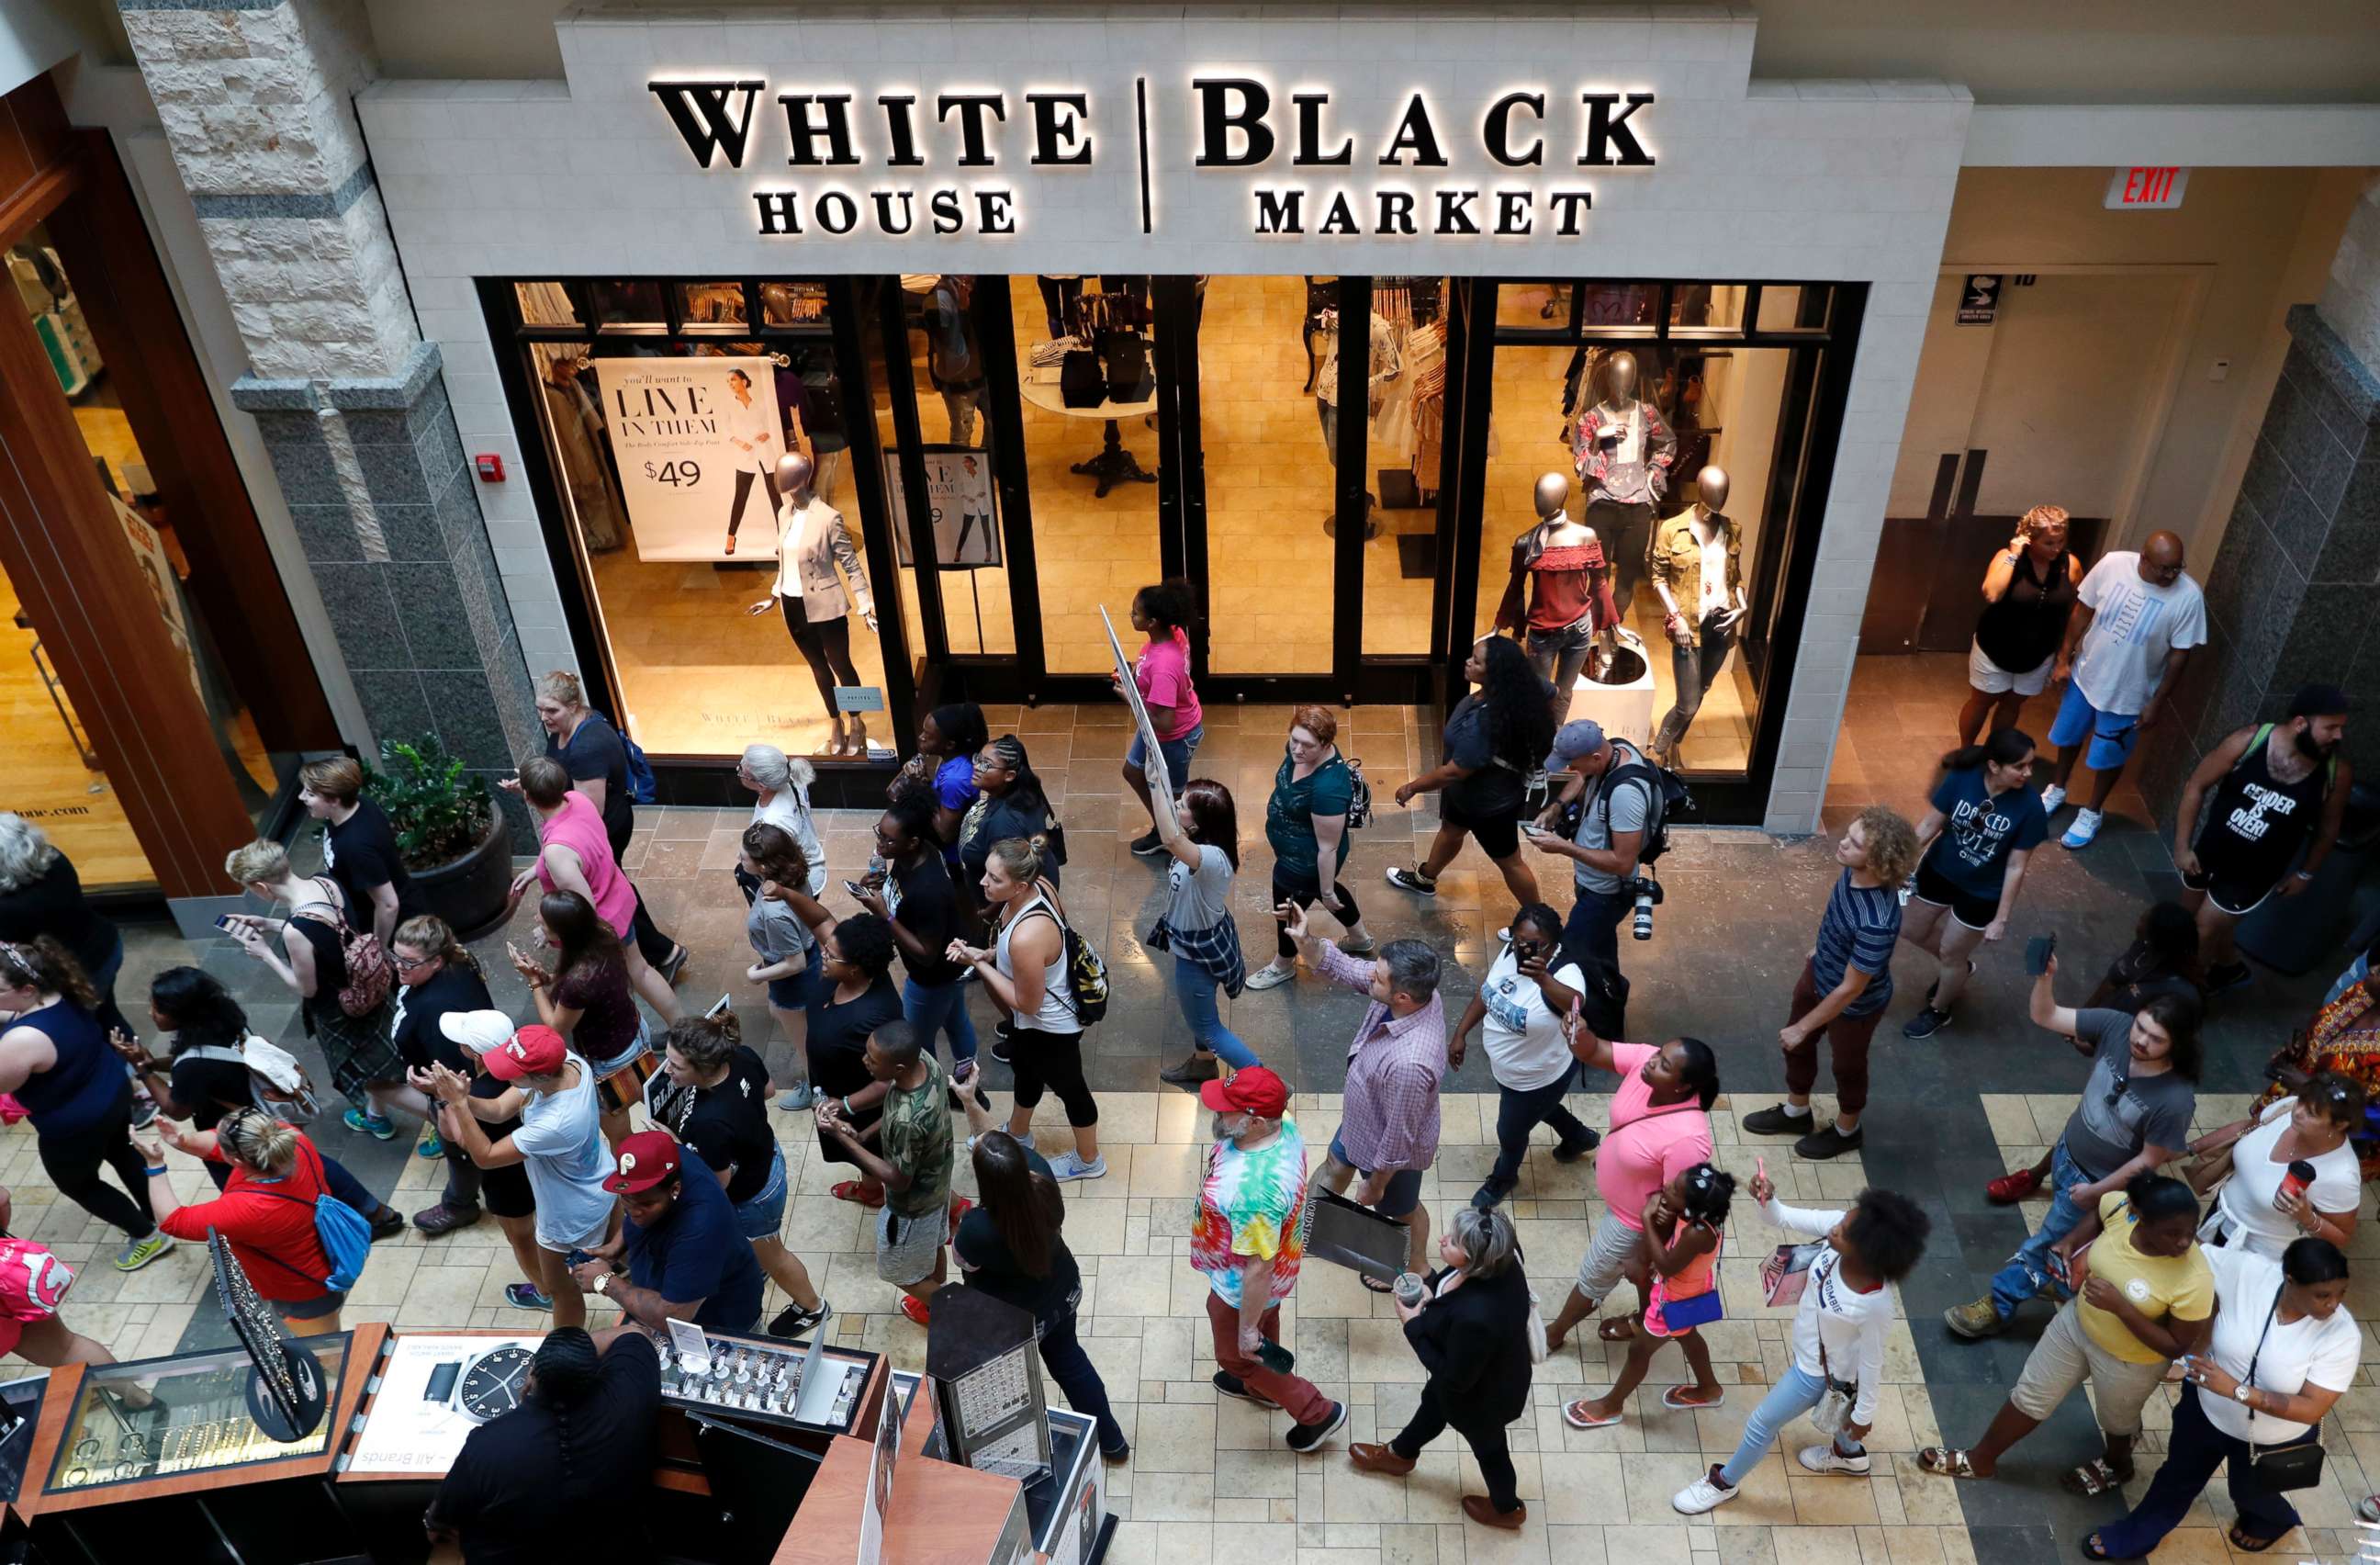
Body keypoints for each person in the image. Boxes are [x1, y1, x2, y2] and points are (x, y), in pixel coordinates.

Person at [1944, 959, 2199, 1338]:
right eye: (2140, 1027)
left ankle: (1998, 1306)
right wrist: (2046, 978)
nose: (2140, 1040)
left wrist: (2095, 1193)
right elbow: (2045, 1015)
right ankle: (2065, 1283)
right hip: (2067, 1152)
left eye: (2155, 1038)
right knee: (2061, 1246)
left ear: (2176, 1045)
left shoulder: (2175, 1099)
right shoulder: (2116, 1026)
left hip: (2099, 1183)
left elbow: (2149, 1161)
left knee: (2043, 1244)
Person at [1920, 1172, 2212, 1498]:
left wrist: (2123, 1308)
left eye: (2190, 1230)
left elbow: (2176, 1345)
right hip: (2075, 1325)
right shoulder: (2120, 1209)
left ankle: (2118, 1463)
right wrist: (2071, 1241)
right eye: (2172, 1233)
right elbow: (2101, 1211)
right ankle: (1980, 1460)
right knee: (2032, 1392)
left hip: (2131, 1361)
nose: (2185, 1242)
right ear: (2139, 1216)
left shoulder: (2195, 1280)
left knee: (2117, 1420)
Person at [1671, 1169, 1932, 1515]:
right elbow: (1780, 1217)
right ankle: (1849, 1456)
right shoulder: (1843, 1228)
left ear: (1868, 1253)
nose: (1835, 1227)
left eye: (1843, 1231)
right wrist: (1766, 1198)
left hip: (1817, 1372)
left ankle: (1722, 1484)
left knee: (1762, 1423)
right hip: (1815, 1357)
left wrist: (1865, 1413)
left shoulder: (1873, 1304)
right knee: (1843, 1413)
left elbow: (1872, 1361)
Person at [2082, 1238, 2355, 1559]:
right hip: (2205, 1414)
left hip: (2272, 1438)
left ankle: (2272, 1520)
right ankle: (2135, 1535)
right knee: (2176, 1477)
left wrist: (2237, 1390)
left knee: (2250, 1491)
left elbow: (2313, 1407)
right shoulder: (2249, 1272)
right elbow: (2187, 1247)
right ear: (2290, 1280)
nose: (2334, 1304)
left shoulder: (2343, 1334)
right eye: (2323, 1295)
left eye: (2341, 1293)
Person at [1985, 900, 2205, 1203]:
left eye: (2146, 918)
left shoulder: (2183, 996)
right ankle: (2035, 1176)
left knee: (2115, 1145)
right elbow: (2111, 983)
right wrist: (2087, 1022)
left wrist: (2095, 1193)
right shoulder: (2142, 951)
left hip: (2140, 1089)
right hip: (2112, 1049)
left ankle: (2101, 1201)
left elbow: (2150, 1157)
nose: (2138, 920)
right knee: (2087, 1124)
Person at [1277, 903, 1443, 1284]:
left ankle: (1416, 1267)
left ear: (1402, 997)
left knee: (1401, 1210)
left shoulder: (1410, 1065)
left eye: (1379, 977)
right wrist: (1307, 941)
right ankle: (1306, 1228)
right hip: (1362, 1118)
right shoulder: (1414, 994)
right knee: (1335, 1166)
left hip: (1388, 1150)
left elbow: (1399, 1137)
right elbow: (1350, 969)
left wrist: (1376, 1183)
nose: (1371, 976)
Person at [1741, 806, 1919, 1159]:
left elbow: (1852, 988)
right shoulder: (1853, 873)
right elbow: (1838, 918)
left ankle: (1847, 1130)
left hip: (1854, 1005)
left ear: (1878, 860)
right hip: (1821, 972)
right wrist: (1823, 947)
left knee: (1847, 1066)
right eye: (1848, 835)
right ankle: (1796, 1112)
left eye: (1854, 843)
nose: (1842, 844)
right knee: (1796, 1046)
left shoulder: (1877, 921)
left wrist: (1803, 1026)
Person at [1347, 1206, 1538, 1530]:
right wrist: (1432, 1287)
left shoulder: (1477, 1318)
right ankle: (1400, 1454)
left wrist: (1413, 1324)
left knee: (1489, 1450)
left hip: (1483, 1398)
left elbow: (1453, 1377)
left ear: (1475, 1259)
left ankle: (1506, 1509)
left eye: (1453, 1243)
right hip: (1474, 1374)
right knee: (1433, 1404)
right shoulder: (1503, 1256)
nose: (1442, 1239)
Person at [417, 1022, 616, 1331]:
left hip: (570, 1211)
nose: (501, 1071)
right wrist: (458, 1094)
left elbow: (485, 1155)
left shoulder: (556, 1122)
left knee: (561, 1291)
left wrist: (455, 1103)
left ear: (539, 1076)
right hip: (598, 1179)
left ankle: (566, 1353)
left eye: (513, 1067)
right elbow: (497, 1110)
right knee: (612, 1259)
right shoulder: (569, 1061)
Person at [1190, 1066, 1346, 1452]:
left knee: (1236, 1353)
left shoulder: (1252, 1193)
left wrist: (1245, 1330)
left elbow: (1257, 1269)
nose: (1216, 1114)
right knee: (1266, 1324)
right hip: (1278, 1275)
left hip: (1240, 1287)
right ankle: (1260, 1387)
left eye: (1226, 1110)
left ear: (1255, 1122)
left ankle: (1315, 1412)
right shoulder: (1284, 1126)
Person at [643, 1014, 829, 1338]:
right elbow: (768, 1090)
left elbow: (718, 1185)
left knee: (775, 1257)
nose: (667, 1070)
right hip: (768, 1159)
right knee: (761, 1252)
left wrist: (677, 1147)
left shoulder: (709, 1123)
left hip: (753, 1196)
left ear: (703, 1068)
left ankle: (812, 1307)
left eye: (676, 1066)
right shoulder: (741, 1055)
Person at [1543, 1019, 1720, 1351]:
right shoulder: (1647, 1061)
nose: (1653, 1060)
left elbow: (1672, 1205)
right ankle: (1644, 1318)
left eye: (1665, 1065)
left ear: (1683, 1087)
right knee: (1638, 1280)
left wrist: (1642, 1254)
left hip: (1633, 1222)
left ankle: (1555, 1333)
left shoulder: (1688, 1139)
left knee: (1594, 1275)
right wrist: (1580, 1032)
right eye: (1659, 1054)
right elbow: (1594, 1049)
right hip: (1621, 1202)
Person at [956, 1132, 1128, 1460]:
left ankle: (1023, 1454)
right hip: (1062, 1293)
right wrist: (970, 1103)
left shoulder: (977, 1228)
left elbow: (965, 1263)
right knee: (1070, 1362)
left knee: (1012, 1387)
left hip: (1014, 1320)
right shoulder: (1042, 1176)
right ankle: (1112, 1442)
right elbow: (996, 1144)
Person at [0, 937, 171, 1270]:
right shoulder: (62, 990)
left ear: (27, 989)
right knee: (123, 1152)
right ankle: (161, 1214)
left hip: (76, 1123)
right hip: (114, 1092)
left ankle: (147, 1235)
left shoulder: (23, 1040)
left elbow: (4, 1083)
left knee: (77, 1182)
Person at [2172, 682, 2353, 996]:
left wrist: (2305, 873)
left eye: (2341, 728)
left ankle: (2177, 1000)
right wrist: (2182, 845)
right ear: (2300, 723)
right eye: (2331, 727)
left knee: (2201, 933)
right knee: (2188, 921)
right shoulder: (2248, 741)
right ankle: (2230, 969)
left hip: (2252, 875)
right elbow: (2196, 785)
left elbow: (2328, 829)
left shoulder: (2336, 773)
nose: (2339, 736)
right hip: (2208, 854)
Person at [426, 1327, 663, 1565]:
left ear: (532, 1376)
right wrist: (569, 1355)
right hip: (620, 1551)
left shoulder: (487, 1444)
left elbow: (441, 1524)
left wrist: (555, 1359)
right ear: (596, 1373)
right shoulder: (630, 1393)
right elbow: (635, 1332)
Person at [222, 838, 407, 1136]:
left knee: (369, 1077)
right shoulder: (326, 882)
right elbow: (328, 931)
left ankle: (441, 1118)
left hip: (341, 1010)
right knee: (381, 1058)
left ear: (261, 886)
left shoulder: (296, 931)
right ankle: (375, 1116)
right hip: (370, 985)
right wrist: (268, 925)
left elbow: (306, 988)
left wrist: (266, 954)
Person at [2041, 530, 2207, 850]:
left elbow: (2179, 655)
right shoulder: (2114, 564)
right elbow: (2083, 610)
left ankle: (2092, 811)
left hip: (2130, 695)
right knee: (2068, 737)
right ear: (2144, 559)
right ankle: (2057, 788)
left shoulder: (2189, 597)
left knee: (2109, 755)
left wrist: (2158, 702)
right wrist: (2064, 658)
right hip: (2087, 676)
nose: (2172, 575)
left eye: (2177, 567)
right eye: (2164, 568)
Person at [520, 670, 688, 982]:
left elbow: (590, 812)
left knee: (611, 890)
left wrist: (566, 854)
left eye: (551, 710)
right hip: (596, 827)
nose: (544, 717)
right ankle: (658, 952)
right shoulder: (571, 726)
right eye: (540, 709)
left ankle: (663, 952)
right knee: (615, 884)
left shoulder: (587, 748)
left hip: (603, 829)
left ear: (573, 706)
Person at [951, 839, 1104, 1181]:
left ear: (1019, 885)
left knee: (1071, 1089)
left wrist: (977, 962)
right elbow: (1016, 953)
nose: (983, 883)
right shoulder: (1035, 888)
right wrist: (989, 954)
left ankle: (1089, 1160)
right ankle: (1019, 1133)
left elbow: (1026, 1001)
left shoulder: (1028, 935)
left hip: (1051, 1027)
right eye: (986, 874)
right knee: (1026, 1070)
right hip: (1030, 1024)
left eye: (994, 878)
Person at [134, 1107, 350, 1334]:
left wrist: (155, 1165)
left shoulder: (249, 1209)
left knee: (326, 1349)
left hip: (302, 1290)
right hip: (324, 1256)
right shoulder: (290, 1138)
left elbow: (172, 1221)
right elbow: (221, 1144)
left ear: (236, 1159)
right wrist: (183, 1140)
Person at [502, 757, 681, 1022]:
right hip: (619, 899)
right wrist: (538, 869)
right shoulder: (579, 799)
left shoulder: (557, 852)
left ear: (527, 797)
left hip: (602, 924)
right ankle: (682, 1026)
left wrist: (547, 927)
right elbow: (578, 842)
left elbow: (582, 909)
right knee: (640, 971)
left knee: (610, 987)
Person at [1897, 729, 2047, 1040]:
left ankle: (1939, 1009)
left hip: (1982, 892)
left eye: (2029, 765)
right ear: (1994, 766)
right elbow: (1929, 824)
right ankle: (1961, 969)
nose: (2028, 773)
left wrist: (2000, 919)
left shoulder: (2031, 807)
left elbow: (2017, 866)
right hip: (1939, 869)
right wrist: (1899, 864)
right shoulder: (1963, 777)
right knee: (1909, 927)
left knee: (1951, 953)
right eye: (2020, 766)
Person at [1561, 1163, 1733, 1431]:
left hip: (1675, 1298)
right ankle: (1709, 1388)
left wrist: (1646, 1219)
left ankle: (1611, 1406)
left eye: (1675, 1190)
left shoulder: (1695, 1234)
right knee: (1687, 1335)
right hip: (1690, 1287)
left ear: (1691, 1207)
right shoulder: (1705, 1218)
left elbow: (1665, 1265)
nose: (1667, 1187)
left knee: (1639, 1350)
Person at [1448, 905, 1599, 1210]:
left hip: (1538, 1077)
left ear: (1554, 945)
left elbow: (1575, 1001)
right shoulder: (1509, 953)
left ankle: (1503, 1178)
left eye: (1536, 945)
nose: (1524, 950)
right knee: (1533, 1110)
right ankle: (1579, 1136)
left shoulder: (1565, 973)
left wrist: (1543, 978)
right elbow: (1487, 991)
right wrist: (1461, 1032)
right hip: (1508, 1070)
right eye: (1518, 940)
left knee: (1510, 1130)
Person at [1386, 635, 1552, 907]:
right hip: (1466, 796)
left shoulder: (1484, 723)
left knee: (1510, 862)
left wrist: (1412, 787)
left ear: (1495, 673)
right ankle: (1425, 879)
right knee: (1451, 830)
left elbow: (1453, 772)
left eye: (1476, 661)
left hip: (1489, 806)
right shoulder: (1521, 689)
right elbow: (1551, 693)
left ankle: (1537, 921)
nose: (1467, 662)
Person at [815, 1021, 953, 1327]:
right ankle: (935, 1298)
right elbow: (893, 1100)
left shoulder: (909, 1120)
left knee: (899, 1272)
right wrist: (862, 1134)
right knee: (933, 1245)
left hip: (914, 1205)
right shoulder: (926, 1064)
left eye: (872, 1059)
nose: (865, 1061)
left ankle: (950, 1311)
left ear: (899, 1067)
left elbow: (897, 1178)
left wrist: (844, 1139)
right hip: (939, 1180)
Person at [568, 1128, 765, 1336]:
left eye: (646, 1203)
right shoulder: (667, 1160)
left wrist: (606, 1282)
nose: (633, 1212)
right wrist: (615, 1247)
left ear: (675, 1189)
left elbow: (673, 1318)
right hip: (670, 1293)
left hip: (717, 1327)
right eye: (626, 1198)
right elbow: (637, 1206)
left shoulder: (700, 1226)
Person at [857, 799, 985, 1100]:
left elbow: (926, 954)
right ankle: (970, 1087)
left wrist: (884, 915)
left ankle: (934, 1095)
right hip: (950, 966)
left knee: (915, 1040)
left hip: (932, 976)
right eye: (880, 834)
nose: (880, 844)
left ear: (912, 842)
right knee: (956, 1021)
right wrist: (878, 885)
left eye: (888, 839)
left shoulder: (929, 890)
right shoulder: (913, 854)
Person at [435, 1011, 559, 1312]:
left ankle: (546, 1291)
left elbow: (467, 1142)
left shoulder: (481, 1092)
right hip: (541, 1166)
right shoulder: (529, 1074)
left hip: (506, 1179)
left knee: (522, 1237)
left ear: (471, 1052)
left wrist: (446, 1104)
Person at [508, 889, 650, 1150]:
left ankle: (634, 1176)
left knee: (619, 1136)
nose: (538, 922)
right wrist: (551, 978)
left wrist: (535, 982)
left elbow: (555, 1028)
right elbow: (579, 989)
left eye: (543, 922)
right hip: (635, 1032)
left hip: (610, 1062)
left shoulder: (580, 981)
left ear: (562, 933)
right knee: (649, 1097)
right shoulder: (602, 937)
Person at [1247, 707, 1375, 991]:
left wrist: (1327, 891)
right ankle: (1360, 938)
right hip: (1297, 853)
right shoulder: (1298, 749)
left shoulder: (1328, 787)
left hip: (1302, 862)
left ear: (1326, 745)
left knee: (1288, 910)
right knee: (1319, 889)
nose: (1297, 749)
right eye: (1294, 740)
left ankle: (1282, 965)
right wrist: (1325, 890)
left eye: (1307, 745)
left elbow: (1327, 848)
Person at [2190, 1072, 2365, 1256]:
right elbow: (2245, 1128)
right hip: (2218, 1219)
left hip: (2255, 1256)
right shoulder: (2285, 1108)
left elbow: (2342, 1237)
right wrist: (2190, 1148)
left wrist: (2307, 1217)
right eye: (2301, 1102)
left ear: (2340, 1125)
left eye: (2311, 1113)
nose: (2297, 1112)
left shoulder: (2341, 1175)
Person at [1152, 780, 1257, 1086]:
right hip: (1200, 944)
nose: (1176, 806)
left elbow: (1170, 839)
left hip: (1195, 957)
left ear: (1199, 820)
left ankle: (1262, 1079)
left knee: (1208, 1027)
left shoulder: (1210, 858)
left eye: (1182, 805)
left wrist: (1154, 783)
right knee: (1201, 1014)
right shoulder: (1207, 846)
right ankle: (1202, 1064)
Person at [1532, 718, 1655, 974]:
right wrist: (1558, 807)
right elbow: (1582, 775)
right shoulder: (1614, 749)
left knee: (1569, 962)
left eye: (1572, 763)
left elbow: (1623, 863)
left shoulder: (1625, 796)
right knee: (1600, 956)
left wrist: (1563, 847)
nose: (1569, 769)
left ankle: (1588, 1009)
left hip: (1604, 895)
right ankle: (1609, 999)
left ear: (1596, 757)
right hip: (1591, 885)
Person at [0, 813, 133, 1039]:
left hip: (76, 974)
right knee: (108, 1016)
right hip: (104, 947)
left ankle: (113, 1067)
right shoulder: (55, 859)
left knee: (83, 1031)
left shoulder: (11, 909)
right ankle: (136, 1062)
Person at [1958, 503, 2082, 745]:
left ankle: (1997, 751)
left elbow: (2077, 605)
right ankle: (1965, 751)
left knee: (2013, 703)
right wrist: (2014, 554)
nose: (2056, 548)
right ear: (2030, 539)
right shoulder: (2007, 558)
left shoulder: (2070, 564)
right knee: (1982, 700)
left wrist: (2064, 654)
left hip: (2038, 653)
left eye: (2060, 541)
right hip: (1995, 647)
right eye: (2048, 543)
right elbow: (1992, 594)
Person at [386, 914, 492, 1170]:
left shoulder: (434, 1013)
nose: (399, 966)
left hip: (454, 1091)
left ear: (436, 962)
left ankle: (459, 1204)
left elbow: (454, 1074)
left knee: (459, 1154)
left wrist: (443, 1101)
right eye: (396, 956)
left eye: (409, 962)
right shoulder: (459, 961)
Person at [298, 755, 426, 951]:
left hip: (398, 930)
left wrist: (377, 948)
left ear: (334, 799)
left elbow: (388, 904)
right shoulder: (361, 804)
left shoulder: (356, 847)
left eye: (310, 794)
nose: (302, 797)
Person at [1122, 580, 1206, 855]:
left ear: (1153, 622)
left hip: (1174, 737)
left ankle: (1179, 837)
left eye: (1136, 613)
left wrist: (1131, 697)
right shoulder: (1174, 634)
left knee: (1173, 795)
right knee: (1133, 771)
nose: (1131, 616)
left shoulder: (1163, 667)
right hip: (1158, 729)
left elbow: (1165, 722)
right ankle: (1163, 827)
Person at [739, 824, 820, 1109]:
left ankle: (816, 1089)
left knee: (805, 1045)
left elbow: (794, 963)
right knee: (785, 1015)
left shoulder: (775, 912)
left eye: (744, 857)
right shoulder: (792, 876)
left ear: (762, 864)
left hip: (794, 979)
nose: (740, 861)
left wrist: (757, 976)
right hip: (807, 960)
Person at [960, 735, 1066, 911]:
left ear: (1009, 776)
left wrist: (989, 913)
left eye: (986, 764)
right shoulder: (1021, 790)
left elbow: (1010, 881)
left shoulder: (1004, 827)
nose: (976, 767)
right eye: (978, 759)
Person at [0, 1226, 117, 1369]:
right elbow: (2, 1203)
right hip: (10, 1284)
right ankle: (134, 1392)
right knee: (68, 1349)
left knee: (67, 1350)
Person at [899, 703, 988, 868]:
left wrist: (920, 787)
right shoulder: (952, 760)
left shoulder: (954, 780)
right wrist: (925, 781)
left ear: (949, 744)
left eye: (928, 735)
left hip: (950, 858)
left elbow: (945, 833)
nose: (921, 737)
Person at [735, 743, 826, 904]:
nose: (739, 770)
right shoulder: (789, 778)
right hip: (812, 864)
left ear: (761, 785)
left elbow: (777, 864)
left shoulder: (773, 822)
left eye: (742, 772)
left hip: (797, 883)